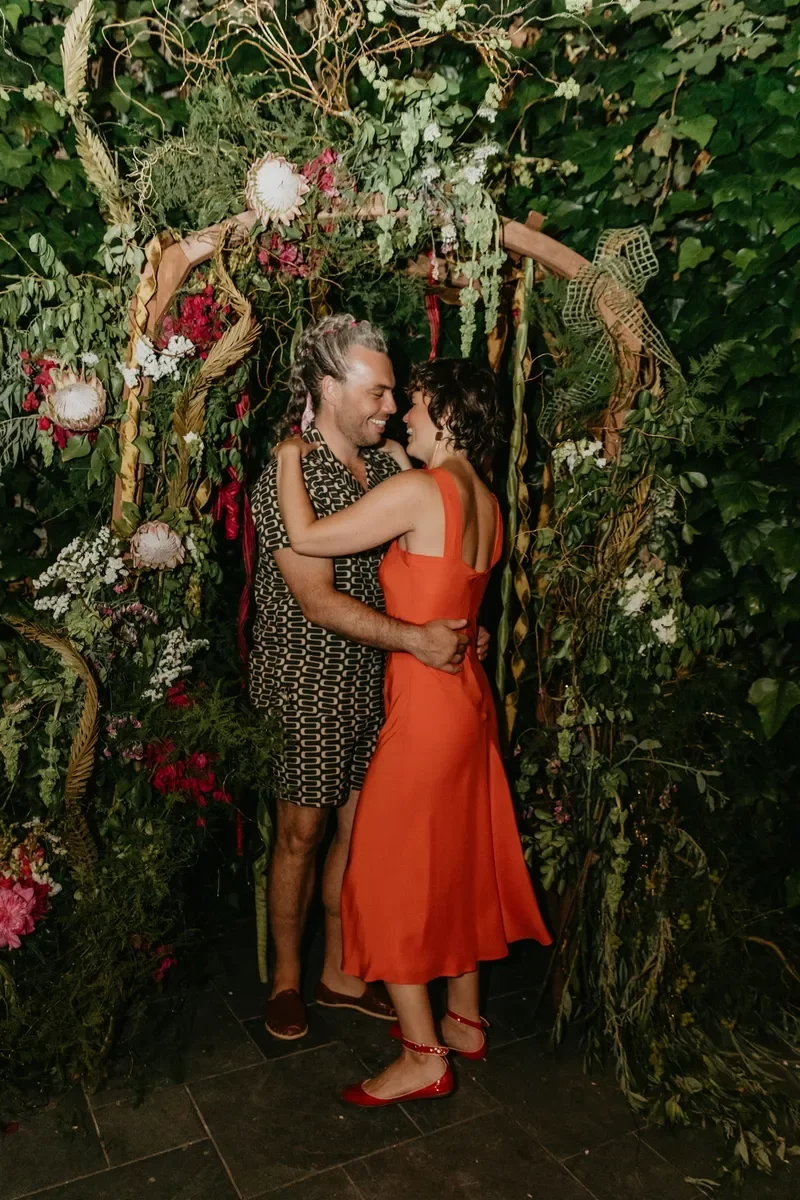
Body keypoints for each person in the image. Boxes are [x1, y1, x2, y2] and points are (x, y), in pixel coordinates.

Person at [275, 358, 552, 1105]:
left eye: (419, 406)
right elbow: (455, 589)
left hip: (426, 714)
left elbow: (306, 536)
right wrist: (404, 462)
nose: (403, 416)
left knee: (386, 874)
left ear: (452, 416)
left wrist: (285, 457)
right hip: (466, 702)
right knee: (457, 862)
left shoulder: (419, 493)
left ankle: (422, 1054)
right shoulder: (483, 498)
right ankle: (465, 1019)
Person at [250, 316, 483, 1042]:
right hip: (304, 676)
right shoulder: (287, 471)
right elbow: (316, 601)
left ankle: (343, 971)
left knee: (358, 829)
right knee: (302, 831)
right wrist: (418, 638)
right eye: (378, 392)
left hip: (378, 680)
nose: (389, 406)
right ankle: (288, 980)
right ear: (328, 387)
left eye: (393, 395)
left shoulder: (388, 469)